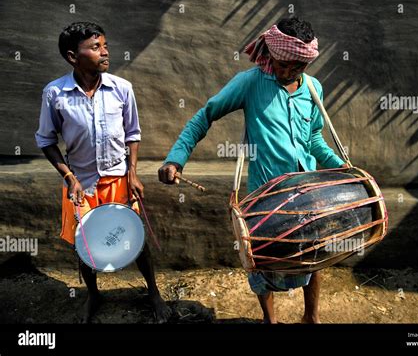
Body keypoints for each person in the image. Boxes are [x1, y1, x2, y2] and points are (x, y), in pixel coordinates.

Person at [158, 16, 348, 324]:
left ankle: (311, 317)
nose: (286, 71)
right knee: (261, 262)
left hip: (308, 190)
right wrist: (175, 159)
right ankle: (268, 320)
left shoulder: (314, 89)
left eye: (296, 66)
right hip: (266, 196)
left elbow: (314, 140)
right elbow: (204, 117)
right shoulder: (250, 82)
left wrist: (341, 167)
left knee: (313, 257)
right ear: (271, 52)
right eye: (281, 63)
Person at [35, 22, 172, 324]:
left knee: (135, 239)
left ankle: (153, 291)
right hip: (81, 184)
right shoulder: (55, 94)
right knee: (85, 245)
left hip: (119, 179)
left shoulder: (121, 89)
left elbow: (133, 133)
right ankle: (93, 294)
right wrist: (69, 178)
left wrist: (133, 173)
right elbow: (46, 140)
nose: (105, 51)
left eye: (105, 45)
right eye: (95, 47)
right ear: (73, 56)